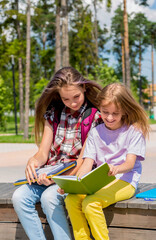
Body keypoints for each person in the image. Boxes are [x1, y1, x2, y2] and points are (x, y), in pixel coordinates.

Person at [12, 66, 103, 240]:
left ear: (84, 88)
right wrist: (34, 161)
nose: (73, 103)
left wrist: (56, 179)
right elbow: (43, 153)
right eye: (66, 99)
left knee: (49, 198)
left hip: (73, 176)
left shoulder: (93, 117)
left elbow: (82, 161)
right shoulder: (53, 114)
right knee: (19, 197)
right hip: (49, 174)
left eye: (76, 96)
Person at [64, 82, 150, 240]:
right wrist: (74, 184)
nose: (109, 118)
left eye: (115, 113)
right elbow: (87, 164)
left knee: (91, 204)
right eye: (105, 112)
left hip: (125, 180)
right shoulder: (95, 133)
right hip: (100, 181)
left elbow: (130, 164)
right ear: (100, 109)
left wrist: (117, 168)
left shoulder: (134, 131)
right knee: (71, 199)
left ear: (124, 110)